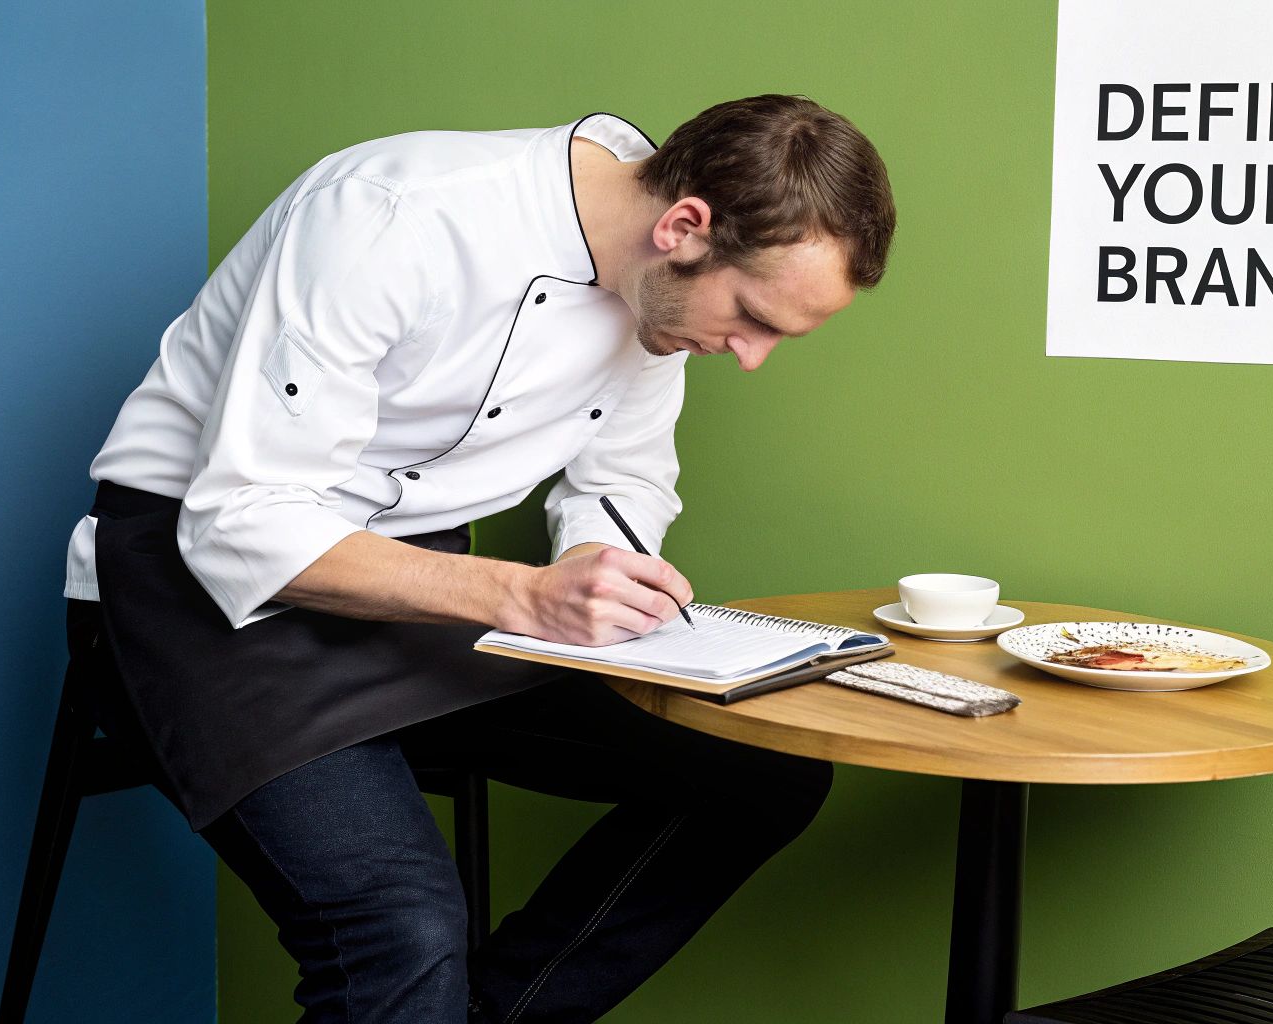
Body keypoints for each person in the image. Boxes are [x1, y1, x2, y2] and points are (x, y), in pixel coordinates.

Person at [60, 94, 897, 1022]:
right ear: (684, 226)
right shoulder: (390, 214)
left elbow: (618, 484)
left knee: (759, 774)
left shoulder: (657, 297)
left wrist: (603, 581)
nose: (750, 356)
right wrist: (522, 595)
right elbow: (242, 522)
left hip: (428, 601)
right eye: (752, 317)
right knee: (401, 930)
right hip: (191, 595)